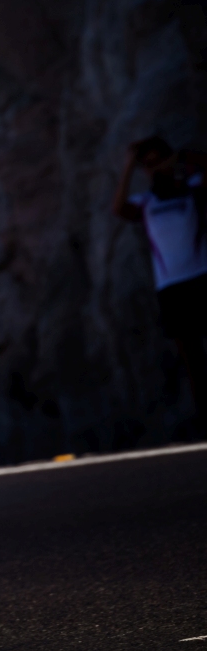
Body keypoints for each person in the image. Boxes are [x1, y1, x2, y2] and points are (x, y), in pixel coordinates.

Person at [111, 136, 207, 432]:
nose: (155, 169)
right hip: (171, 288)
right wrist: (129, 166)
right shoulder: (146, 203)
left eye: (158, 161)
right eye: (148, 165)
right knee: (192, 358)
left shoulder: (191, 190)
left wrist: (178, 158)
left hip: (201, 277)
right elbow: (119, 208)